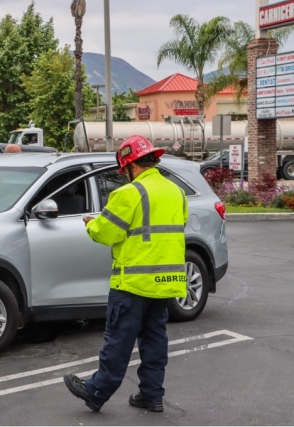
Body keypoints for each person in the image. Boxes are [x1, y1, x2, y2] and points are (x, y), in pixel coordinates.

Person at [63, 135, 188, 413]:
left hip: (132, 282)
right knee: (155, 341)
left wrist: (91, 224)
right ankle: (152, 394)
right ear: (152, 160)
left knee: (119, 340)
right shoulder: (176, 192)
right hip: (165, 282)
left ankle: (97, 391)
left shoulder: (129, 193)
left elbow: (107, 233)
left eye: (125, 169)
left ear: (131, 165)